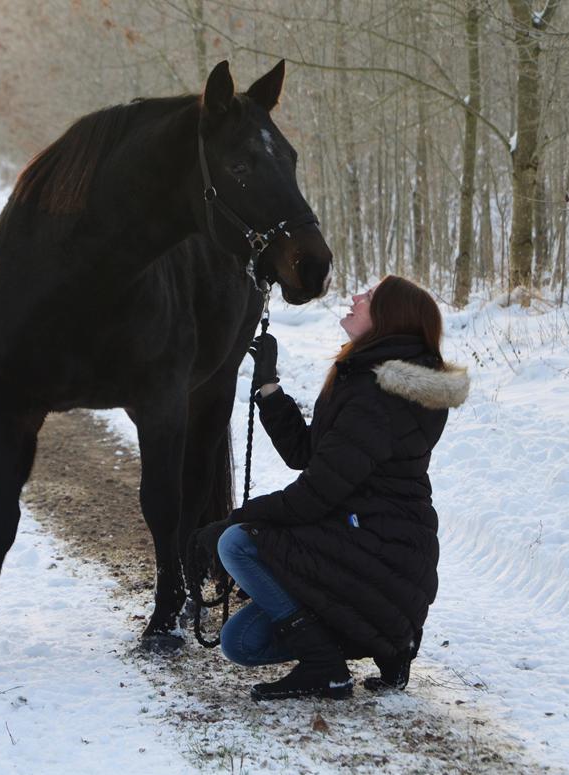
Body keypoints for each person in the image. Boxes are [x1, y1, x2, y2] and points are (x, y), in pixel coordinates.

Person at [190, 274, 470, 701]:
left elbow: (316, 493)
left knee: (237, 544)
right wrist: (269, 386)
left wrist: (233, 520)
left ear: (388, 319)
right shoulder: (364, 378)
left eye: (371, 296)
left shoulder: (379, 396)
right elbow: (308, 453)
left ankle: (328, 667)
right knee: (240, 642)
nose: (357, 296)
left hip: (375, 554)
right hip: (369, 553)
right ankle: (386, 643)